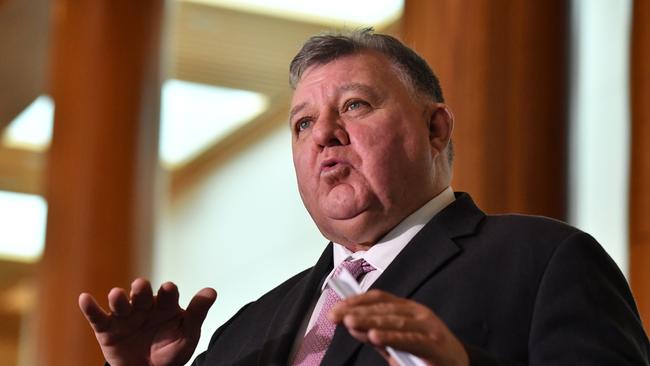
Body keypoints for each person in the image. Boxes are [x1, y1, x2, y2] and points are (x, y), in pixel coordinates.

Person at [79, 28, 650, 366]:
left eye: (354, 106)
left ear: (436, 130)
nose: (324, 134)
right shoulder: (248, 330)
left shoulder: (545, 262)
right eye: (303, 124)